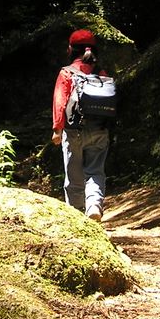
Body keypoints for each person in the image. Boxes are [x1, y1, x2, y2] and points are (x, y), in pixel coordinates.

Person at [51, 29, 110, 222]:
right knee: (95, 171)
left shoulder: (66, 73)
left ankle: (76, 217)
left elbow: (60, 101)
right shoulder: (101, 72)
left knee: (74, 176)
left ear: (70, 49)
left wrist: (57, 129)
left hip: (73, 130)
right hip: (99, 129)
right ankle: (93, 205)